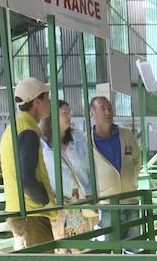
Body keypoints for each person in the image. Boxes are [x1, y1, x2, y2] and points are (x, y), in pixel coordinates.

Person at [0, 77, 58, 261]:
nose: (49, 102)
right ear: (36, 101)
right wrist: (45, 200)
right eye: (46, 98)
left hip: (19, 211)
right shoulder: (28, 131)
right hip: (31, 213)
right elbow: (27, 177)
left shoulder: (17, 126)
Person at [88, 94, 142, 235]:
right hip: (106, 204)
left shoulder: (126, 135)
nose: (108, 112)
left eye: (110, 108)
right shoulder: (87, 141)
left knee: (135, 243)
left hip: (130, 200)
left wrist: (129, 179)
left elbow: (137, 160)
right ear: (92, 114)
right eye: (103, 109)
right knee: (109, 242)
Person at [40, 99, 94, 235]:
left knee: (83, 240)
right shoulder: (43, 144)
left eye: (69, 112)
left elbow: (90, 163)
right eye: (64, 113)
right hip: (57, 201)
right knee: (60, 242)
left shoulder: (78, 137)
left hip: (81, 198)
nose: (69, 116)